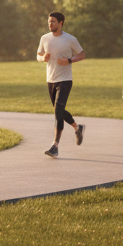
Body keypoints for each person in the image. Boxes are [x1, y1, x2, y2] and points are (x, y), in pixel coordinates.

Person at [36, 12, 85, 158]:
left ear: (61, 22)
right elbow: (38, 55)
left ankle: (55, 146)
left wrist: (69, 60)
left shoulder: (70, 39)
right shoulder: (44, 38)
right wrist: (42, 58)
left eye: (53, 21)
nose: (50, 24)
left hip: (65, 79)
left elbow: (81, 54)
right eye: (49, 21)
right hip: (50, 79)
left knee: (58, 110)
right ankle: (77, 127)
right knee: (59, 110)